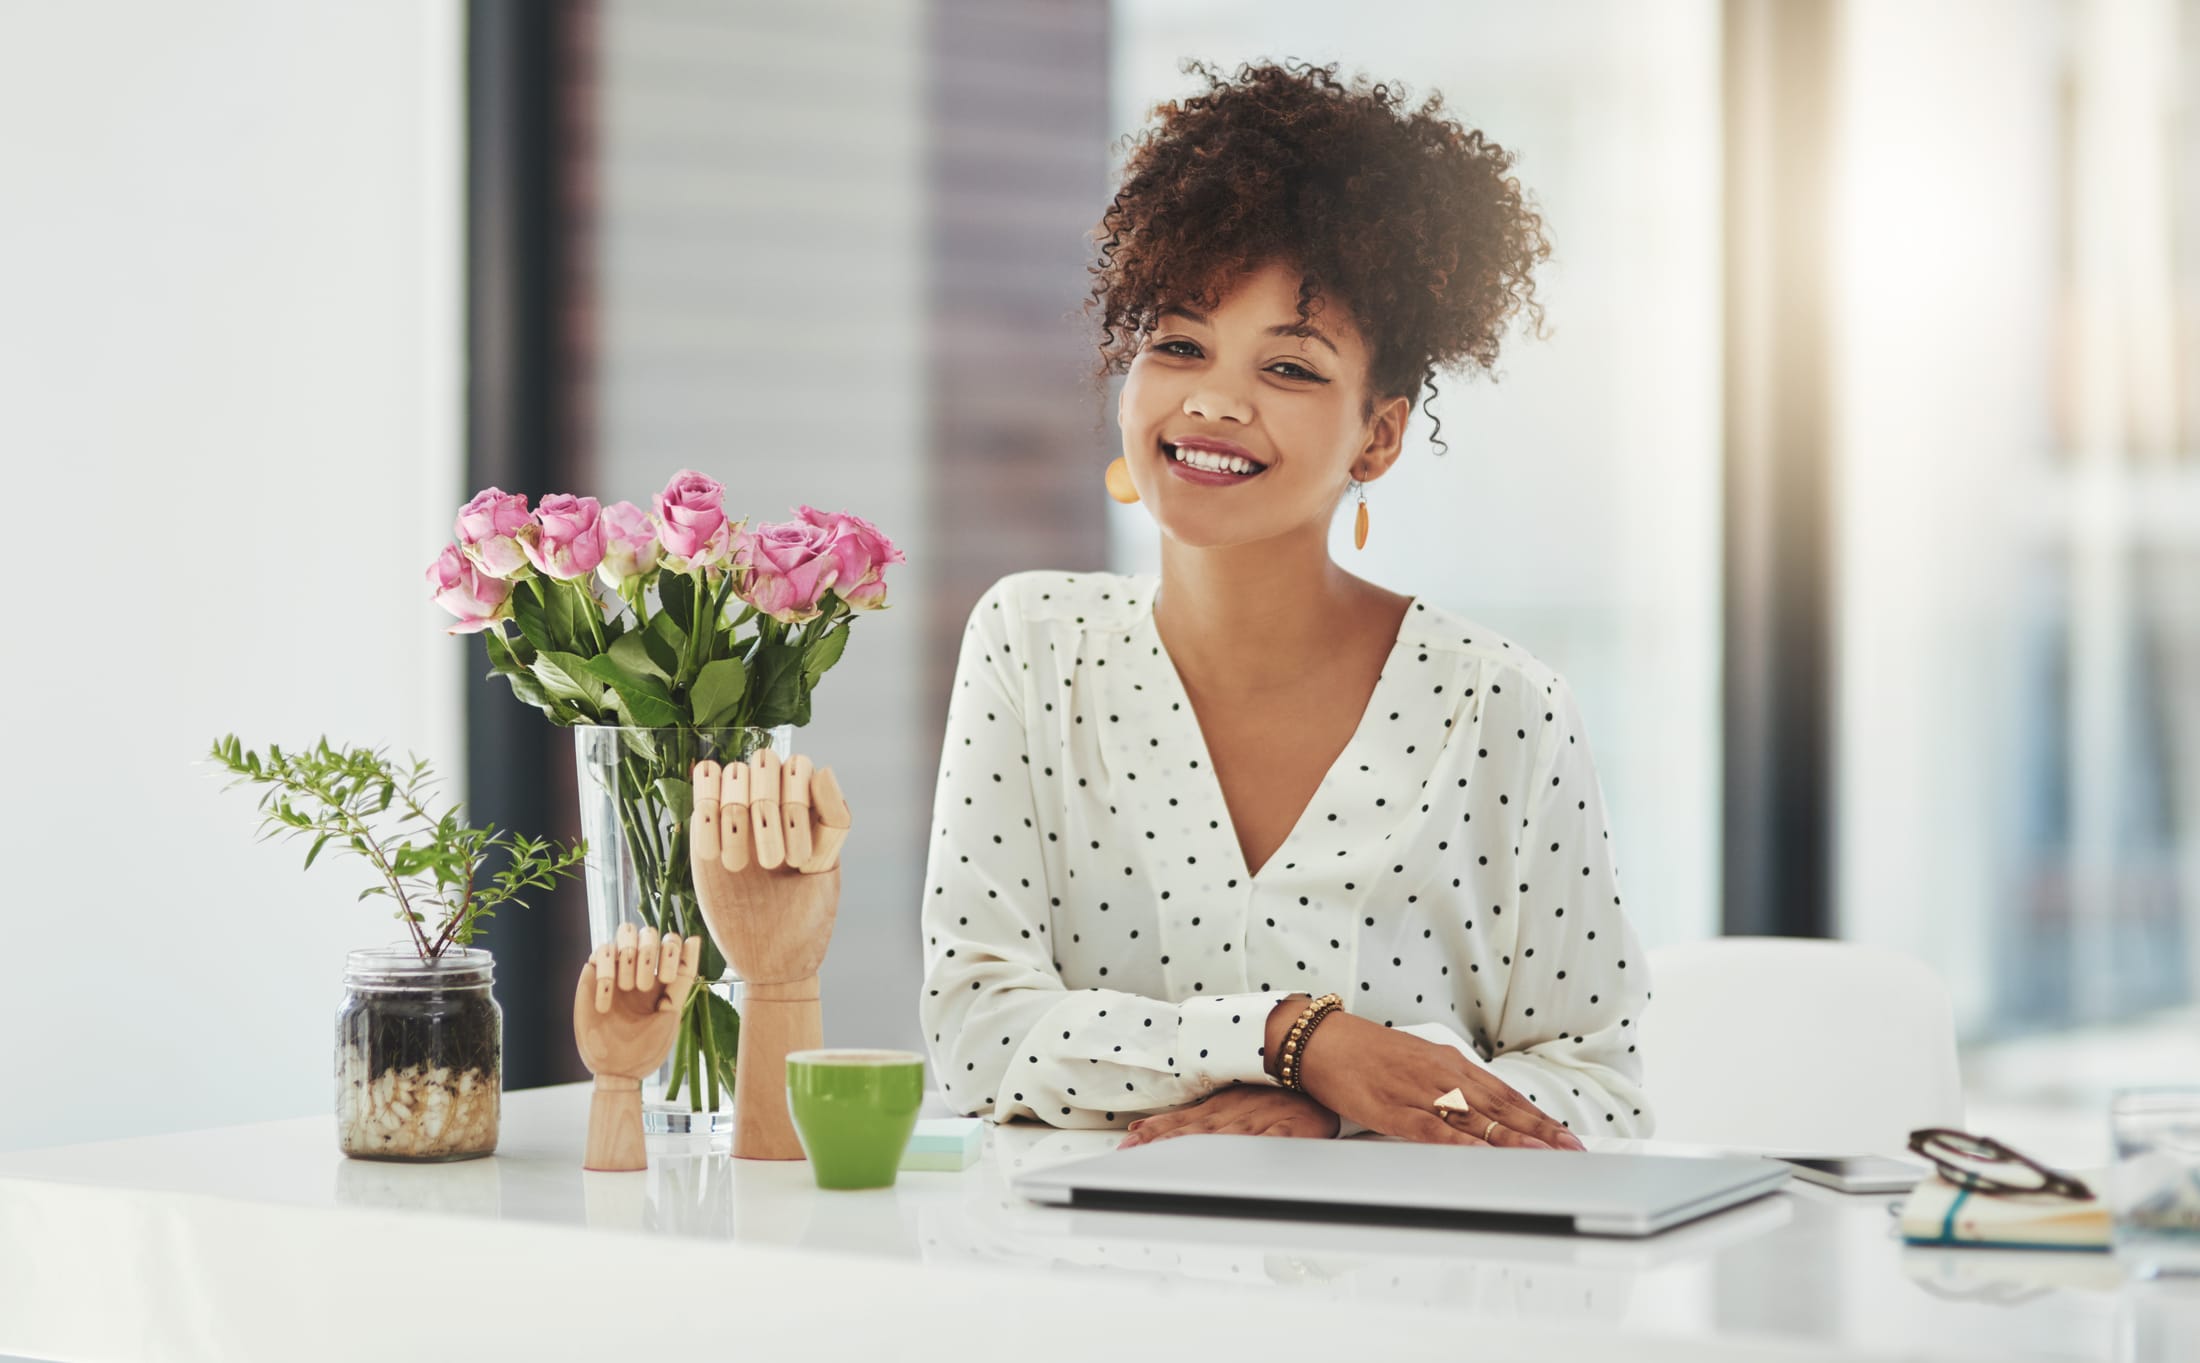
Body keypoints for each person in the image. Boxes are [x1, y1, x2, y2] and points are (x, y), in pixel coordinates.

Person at [918, 58, 1651, 1148]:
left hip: (1401, 1298)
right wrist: (1293, 1039)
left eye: (1292, 369)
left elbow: (1601, 1088)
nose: (1212, 400)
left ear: (1378, 434)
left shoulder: (1501, 708)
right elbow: (979, 1034)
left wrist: (1331, 1117)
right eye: (1177, 346)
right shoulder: (1032, 643)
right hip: (1085, 1288)